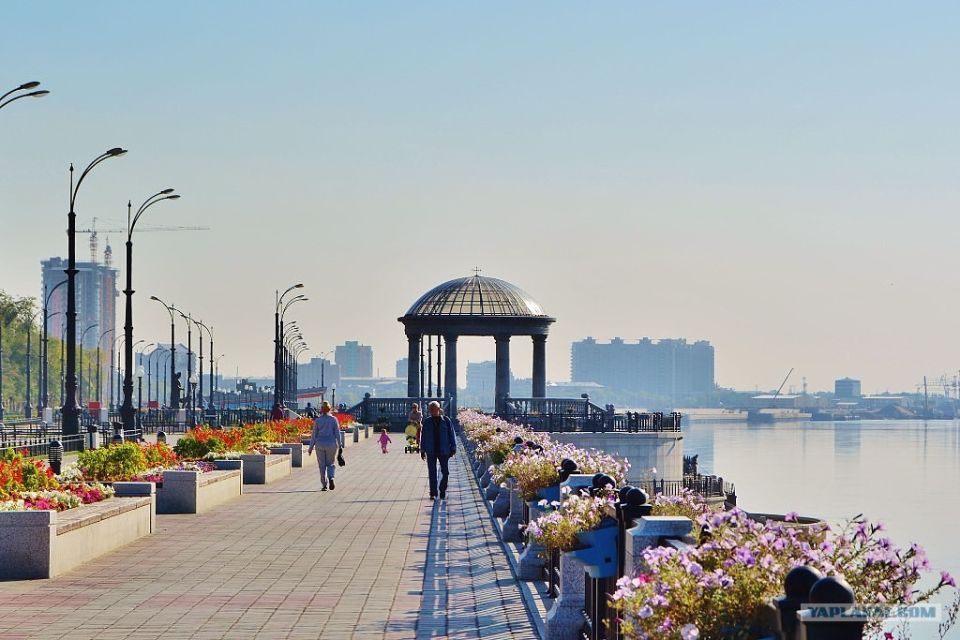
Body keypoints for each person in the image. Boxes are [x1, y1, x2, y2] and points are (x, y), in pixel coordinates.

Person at [419, 401, 456, 501]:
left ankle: (442, 489)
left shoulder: (446, 420)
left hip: (444, 450)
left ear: (439, 409)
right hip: (431, 450)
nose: (431, 411)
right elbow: (423, 437)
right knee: (432, 472)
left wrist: (453, 448)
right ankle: (433, 493)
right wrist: (422, 450)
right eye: (430, 410)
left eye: (433, 409)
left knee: (445, 472)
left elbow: (451, 434)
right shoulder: (427, 422)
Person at [307, 401, 344, 491]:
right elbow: (337, 433)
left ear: (321, 410)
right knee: (330, 463)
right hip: (331, 444)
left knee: (322, 465)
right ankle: (331, 477)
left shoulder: (318, 420)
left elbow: (314, 435)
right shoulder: (333, 419)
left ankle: (324, 484)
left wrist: (310, 448)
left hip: (320, 444)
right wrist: (340, 445)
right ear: (329, 409)